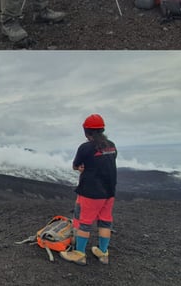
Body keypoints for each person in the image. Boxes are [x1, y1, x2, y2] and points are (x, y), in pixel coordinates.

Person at [61, 114, 118, 267]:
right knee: (105, 221)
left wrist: (81, 168)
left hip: (91, 192)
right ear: (102, 129)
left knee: (84, 223)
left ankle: (79, 254)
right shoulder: (111, 145)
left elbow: (76, 165)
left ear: (86, 131)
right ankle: (103, 253)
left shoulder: (86, 147)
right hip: (109, 192)